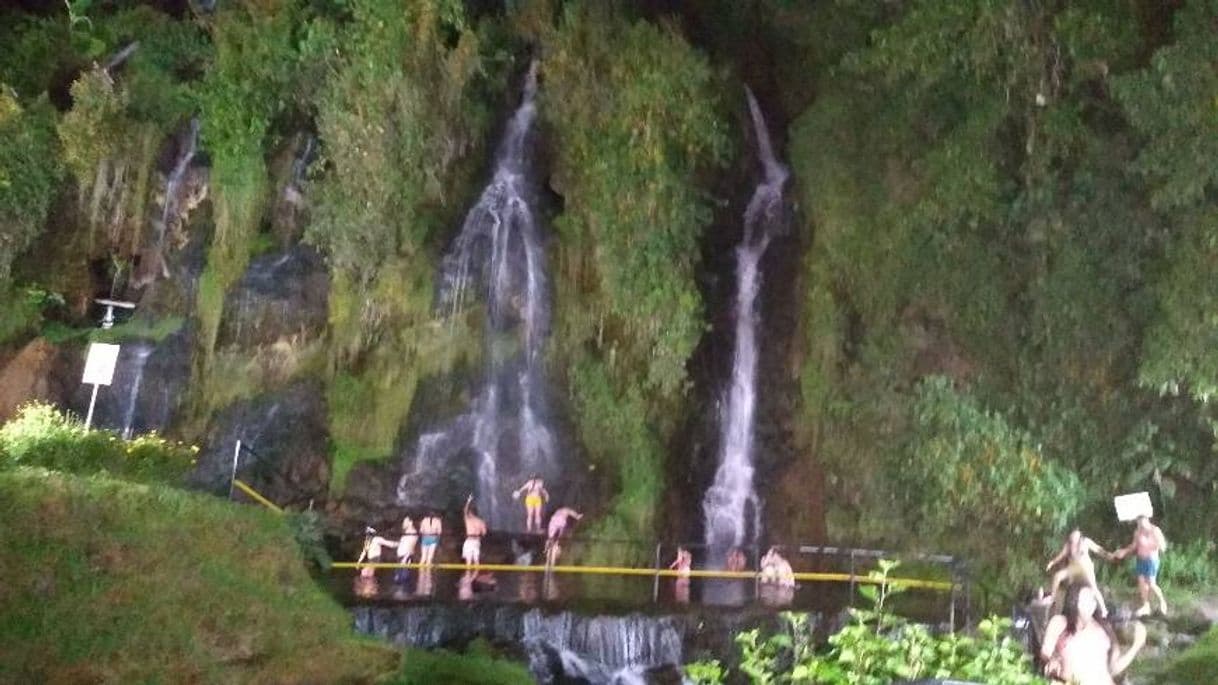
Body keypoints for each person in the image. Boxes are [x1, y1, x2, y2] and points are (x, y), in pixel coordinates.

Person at [1040, 584, 1146, 685]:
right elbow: (1045, 652)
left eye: (1093, 599)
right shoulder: (1060, 622)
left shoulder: (1105, 627)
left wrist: (1136, 646)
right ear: (1074, 601)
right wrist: (1052, 660)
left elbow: (1113, 669)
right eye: (1085, 599)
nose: (1091, 603)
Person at [1046, 529, 1112, 617]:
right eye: (1072, 536)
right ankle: (1052, 599)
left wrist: (1107, 555)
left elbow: (1097, 549)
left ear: (1079, 536)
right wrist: (1052, 563)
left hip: (1085, 567)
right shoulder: (1068, 545)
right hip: (1074, 567)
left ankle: (1104, 609)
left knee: (1093, 587)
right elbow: (1061, 556)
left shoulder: (1085, 541)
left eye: (1076, 536)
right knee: (1058, 576)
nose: (1074, 538)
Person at [1113, 515, 1168, 616]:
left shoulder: (1155, 530)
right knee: (1142, 583)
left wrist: (1158, 545)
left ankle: (1162, 602)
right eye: (1138, 521)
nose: (1139, 523)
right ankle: (1146, 606)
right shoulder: (1138, 532)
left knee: (1151, 583)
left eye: (1141, 521)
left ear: (1146, 519)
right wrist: (1123, 552)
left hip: (1151, 560)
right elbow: (1134, 546)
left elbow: (1163, 547)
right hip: (1140, 559)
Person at [463, 495, 488, 568]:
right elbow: (484, 533)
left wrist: (468, 501)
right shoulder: (481, 521)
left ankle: (468, 575)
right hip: (477, 541)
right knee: (476, 560)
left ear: (470, 512)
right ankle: (474, 576)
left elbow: (464, 510)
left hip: (469, 540)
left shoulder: (468, 520)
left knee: (468, 561)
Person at [395, 517, 418, 584]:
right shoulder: (406, 532)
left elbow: (411, 546)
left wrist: (405, 558)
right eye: (403, 522)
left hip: (405, 558)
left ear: (410, 522)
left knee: (403, 579)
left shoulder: (413, 532)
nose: (403, 523)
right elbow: (402, 544)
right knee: (398, 579)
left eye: (405, 522)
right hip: (401, 557)